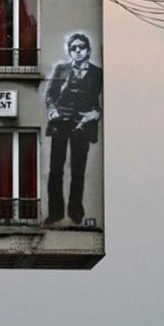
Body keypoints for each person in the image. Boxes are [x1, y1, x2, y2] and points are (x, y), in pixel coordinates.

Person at [44, 32, 103, 225]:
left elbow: (99, 105)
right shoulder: (61, 69)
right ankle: (55, 212)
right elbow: (50, 95)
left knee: (78, 170)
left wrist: (93, 115)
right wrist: (52, 111)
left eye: (81, 47)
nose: (77, 51)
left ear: (88, 50)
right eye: (73, 48)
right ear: (70, 51)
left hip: (82, 126)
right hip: (60, 123)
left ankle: (76, 211)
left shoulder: (98, 74)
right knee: (55, 170)